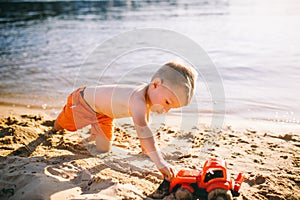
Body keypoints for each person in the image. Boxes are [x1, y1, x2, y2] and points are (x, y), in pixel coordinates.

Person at [52, 62, 198, 181]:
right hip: (82, 102)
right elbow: (143, 130)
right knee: (66, 125)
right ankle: (55, 125)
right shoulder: (138, 100)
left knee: (103, 149)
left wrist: (146, 150)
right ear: (155, 85)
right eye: (167, 102)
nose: (166, 110)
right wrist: (160, 162)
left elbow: (144, 127)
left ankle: (94, 129)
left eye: (171, 108)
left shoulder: (147, 99)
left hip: (103, 114)